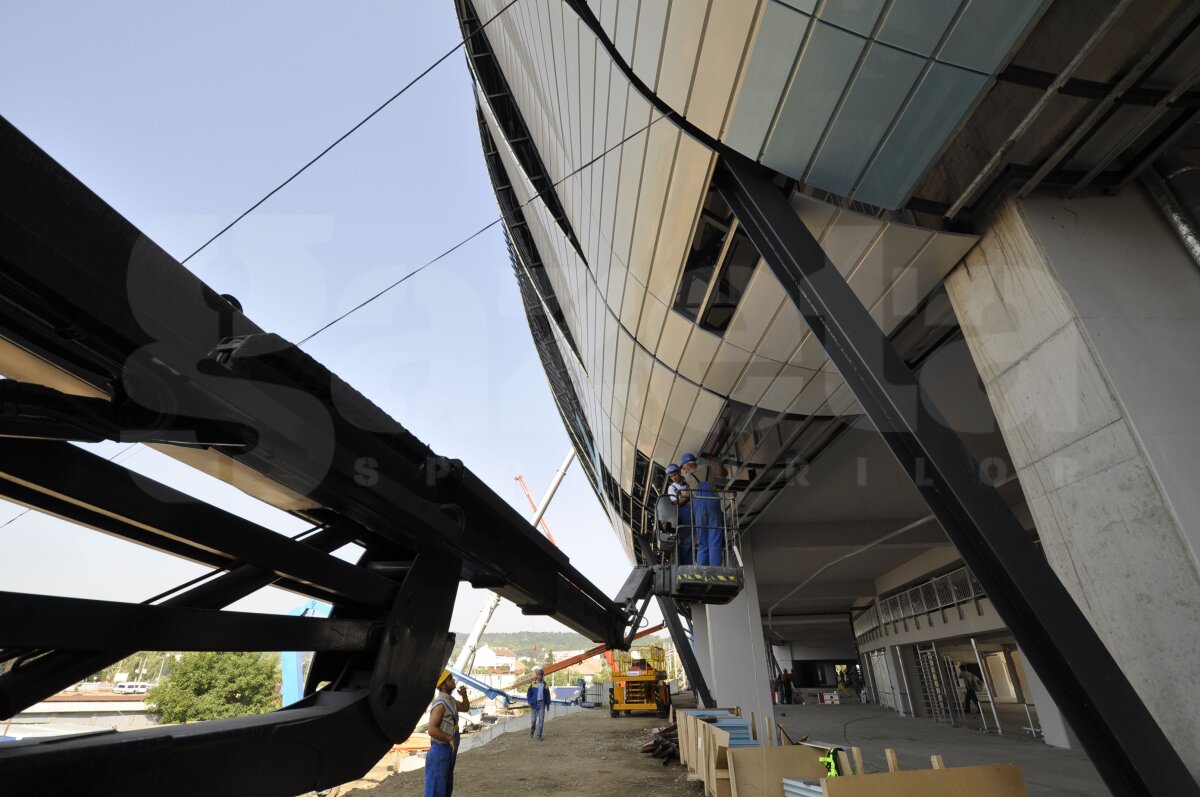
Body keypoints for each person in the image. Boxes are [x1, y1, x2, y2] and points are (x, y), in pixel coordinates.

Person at [425, 669, 470, 797]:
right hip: (439, 751)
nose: (453, 680)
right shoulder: (440, 705)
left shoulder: (450, 700)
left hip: (448, 752)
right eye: (450, 679)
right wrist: (450, 738)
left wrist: (464, 696)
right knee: (435, 790)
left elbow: (465, 708)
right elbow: (432, 730)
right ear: (443, 685)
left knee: (445, 789)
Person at [681, 453, 725, 566]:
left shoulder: (688, 478)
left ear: (688, 465)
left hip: (699, 507)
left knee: (702, 542)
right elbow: (724, 473)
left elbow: (686, 496)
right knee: (715, 539)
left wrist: (676, 502)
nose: (684, 471)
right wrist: (712, 459)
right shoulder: (708, 468)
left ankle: (702, 570)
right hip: (713, 504)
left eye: (684, 468)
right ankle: (715, 570)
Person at [665, 464, 693, 564]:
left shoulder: (688, 480)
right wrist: (687, 496)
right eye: (671, 476)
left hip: (695, 511)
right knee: (687, 541)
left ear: (679, 472)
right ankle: (687, 564)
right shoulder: (671, 488)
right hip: (684, 516)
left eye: (674, 475)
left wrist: (685, 496)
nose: (673, 477)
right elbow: (676, 502)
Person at [527, 667, 552, 740]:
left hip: (542, 704)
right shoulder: (533, 684)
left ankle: (538, 736)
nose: (540, 676)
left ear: (543, 676)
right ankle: (532, 731)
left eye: (541, 675)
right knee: (533, 720)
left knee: (541, 720)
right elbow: (529, 694)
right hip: (534, 704)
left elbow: (547, 695)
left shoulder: (545, 684)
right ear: (537, 675)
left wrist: (547, 704)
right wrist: (529, 702)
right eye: (538, 675)